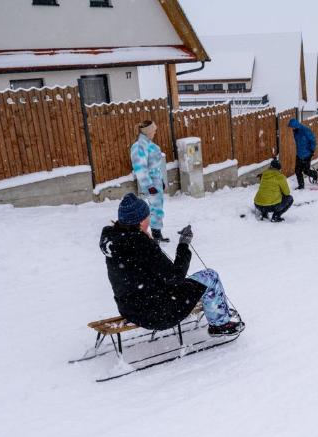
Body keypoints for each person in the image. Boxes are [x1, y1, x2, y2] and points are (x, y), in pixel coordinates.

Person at [100, 194, 244, 336]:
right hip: (158, 313)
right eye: (147, 217)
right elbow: (175, 277)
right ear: (140, 221)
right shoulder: (141, 244)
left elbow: (144, 273)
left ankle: (216, 314)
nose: (149, 220)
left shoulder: (114, 241)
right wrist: (183, 245)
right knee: (210, 276)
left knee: (191, 286)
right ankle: (220, 325)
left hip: (130, 309)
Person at [131, 120, 169, 243]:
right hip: (150, 182)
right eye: (154, 130)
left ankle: (157, 233)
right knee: (153, 209)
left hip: (156, 180)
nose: (155, 131)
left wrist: (161, 180)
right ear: (148, 132)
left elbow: (156, 166)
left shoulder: (148, 144)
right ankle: (151, 234)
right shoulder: (139, 146)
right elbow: (140, 168)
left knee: (157, 207)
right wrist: (149, 186)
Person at [288, 118, 318, 189]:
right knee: (297, 171)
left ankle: (315, 175)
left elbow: (313, 140)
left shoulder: (305, 130)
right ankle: (301, 185)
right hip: (299, 154)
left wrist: (312, 150)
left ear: (296, 125)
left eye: (292, 126)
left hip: (307, 154)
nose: (292, 128)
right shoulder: (295, 131)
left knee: (306, 171)